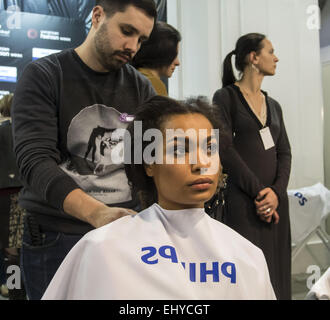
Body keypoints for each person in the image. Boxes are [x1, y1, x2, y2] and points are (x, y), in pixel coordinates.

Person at [42, 96, 276, 300]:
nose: (201, 164)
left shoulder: (247, 256)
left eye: (209, 149)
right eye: (179, 150)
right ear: (148, 164)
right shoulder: (103, 248)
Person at [11, 0, 157, 300]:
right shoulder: (45, 75)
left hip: (122, 233)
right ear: (97, 15)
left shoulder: (142, 88)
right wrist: (98, 214)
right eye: (126, 31)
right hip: (56, 236)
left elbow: (150, 160)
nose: (132, 46)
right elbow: (35, 162)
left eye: (141, 39)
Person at [212, 33, 292, 300]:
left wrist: (276, 193)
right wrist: (260, 193)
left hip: (275, 205)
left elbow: (285, 153)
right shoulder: (225, 98)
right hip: (244, 203)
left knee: (277, 274)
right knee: (247, 278)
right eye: (271, 51)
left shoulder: (275, 105)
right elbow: (224, 148)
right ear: (253, 58)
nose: (276, 57)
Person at [0, 94, 26, 300]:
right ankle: (16, 291)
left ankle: (15, 292)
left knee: (11, 251)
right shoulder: (26, 131)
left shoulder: (4, 130)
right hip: (20, 195)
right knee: (15, 249)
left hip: (8, 195)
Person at [131, 21, 181, 96]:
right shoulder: (153, 84)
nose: (178, 62)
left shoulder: (131, 77)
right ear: (160, 52)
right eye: (173, 55)